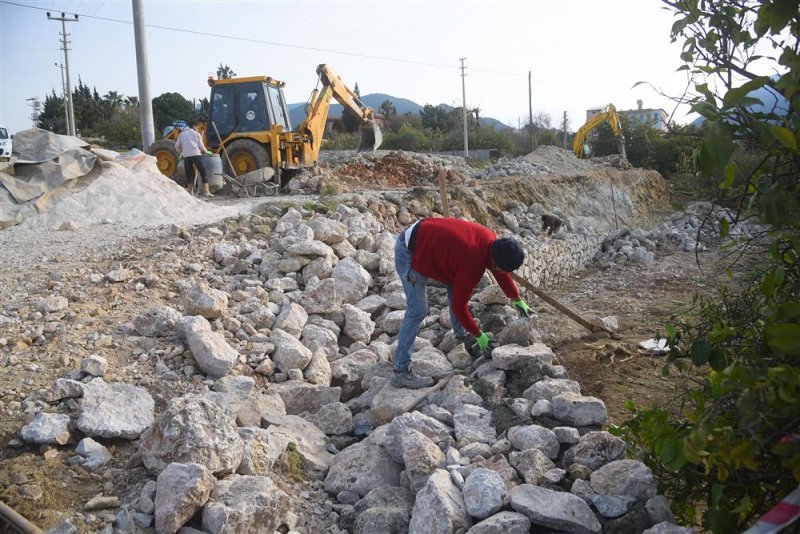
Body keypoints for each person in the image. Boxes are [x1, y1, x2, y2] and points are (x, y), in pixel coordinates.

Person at [392, 217, 532, 389]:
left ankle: (461, 334)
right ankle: (401, 370)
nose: (503, 273)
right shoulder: (473, 261)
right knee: (418, 310)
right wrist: (479, 335)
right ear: (495, 262)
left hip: (427, 237)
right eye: (502, 268)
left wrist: (516, 298)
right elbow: (460, 306)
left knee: (455, 283)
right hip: (409, 251)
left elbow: (501, 273)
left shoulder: (491, 242)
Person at [175, 120, 213, 197]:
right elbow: (201, 146)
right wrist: (206, 152)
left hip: (186, 156)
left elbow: (176, 146)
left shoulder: (182, 134)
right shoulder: (197, 134)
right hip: (196, 155)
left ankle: (190, 192)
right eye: (196, 127)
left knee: (189, 174)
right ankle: (206, 192)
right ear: (194, 126)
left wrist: (181, 153)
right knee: (203, 172)